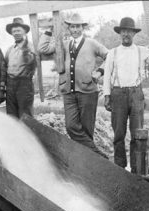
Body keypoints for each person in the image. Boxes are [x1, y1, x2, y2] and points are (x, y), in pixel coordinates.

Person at [38, 13, 108, 158]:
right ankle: (97, 155)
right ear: (69, 28)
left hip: (88, 90)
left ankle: (86, 161)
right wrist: (49, 29)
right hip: (68, 91)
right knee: (71, 126)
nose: (75, 30)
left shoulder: (91, 43)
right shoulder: (63, 44)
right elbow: (43, 48)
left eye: (78, 27)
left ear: (82, 28)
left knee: (87, 129)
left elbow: (110, 56)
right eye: (72, 27)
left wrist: (100, 71)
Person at [103, 17, 149, 173]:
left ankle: (136, 169)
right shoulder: (113, 53)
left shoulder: (142, 51)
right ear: (120, 33)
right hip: (118, 94)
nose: (126, 34)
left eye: (129, 31)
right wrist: (107, 95)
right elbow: (106, 76)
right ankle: (120, 167)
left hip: (136, 94)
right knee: (119, 134)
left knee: (137, 133)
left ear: (133, 34)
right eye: (123, 31)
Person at [5, 17, 37, 118]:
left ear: (24, 32)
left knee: (25, 115)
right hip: (10, 84)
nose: (16, 33)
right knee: (11, 114)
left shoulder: (30, 47)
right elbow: (5, 65)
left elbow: (30, 60)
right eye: (14, 31)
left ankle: (27, 133)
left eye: (18, 30)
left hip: (24, 84)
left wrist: (25, 49)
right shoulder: (10, 49)